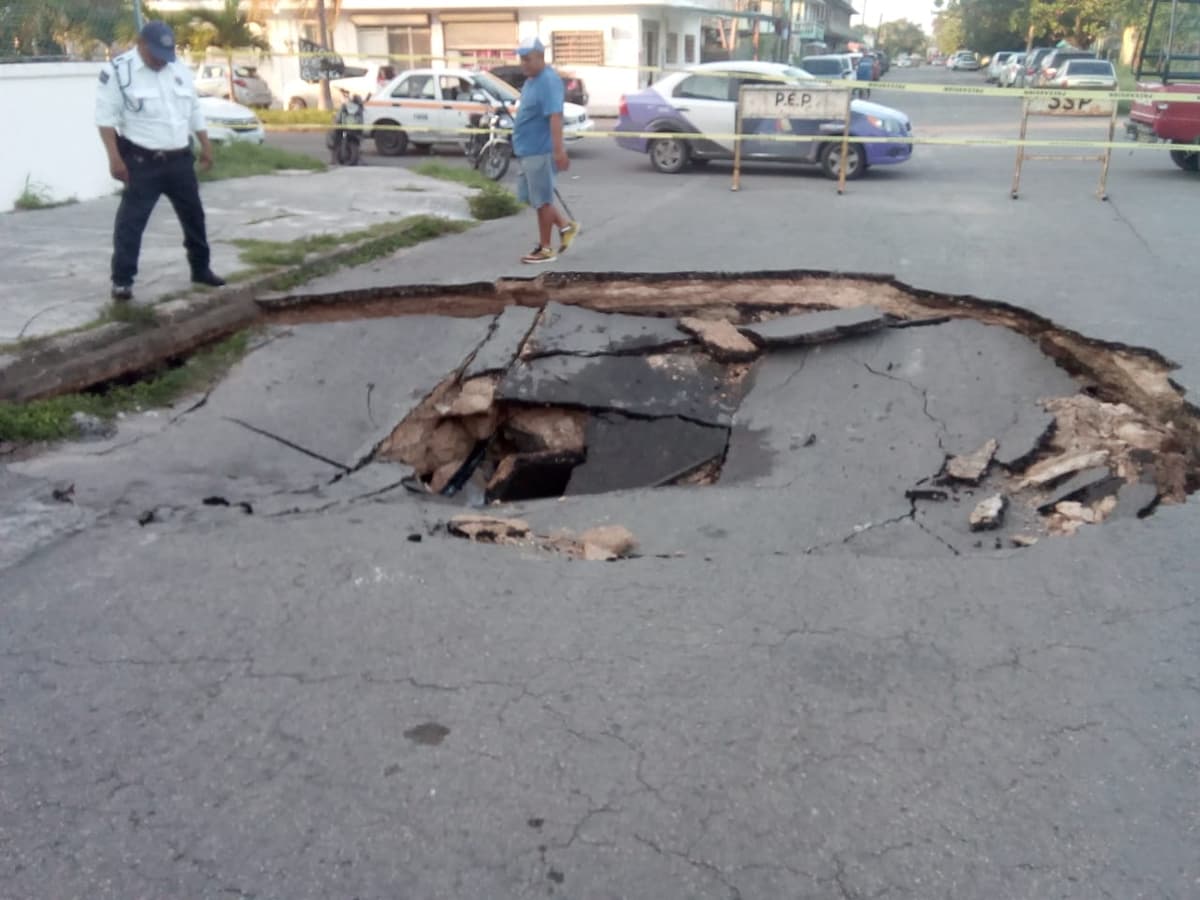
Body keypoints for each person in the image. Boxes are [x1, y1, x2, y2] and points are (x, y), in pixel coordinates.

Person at [95, 21, 225, 302]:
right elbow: (105, 119)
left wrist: (205, 144)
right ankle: (122, 282)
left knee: (194, 218)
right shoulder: (118, 72)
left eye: (166, 55)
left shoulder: (177, 67)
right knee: (131, 223)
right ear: (140, 45)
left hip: (180, 160)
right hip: (142, 161)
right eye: (155, 54)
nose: (161, 61)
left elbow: (192, 109)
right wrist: (114, 159)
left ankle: (201, 270)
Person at [511, 36, 580, 264]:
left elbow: (555, 117)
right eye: (521, 59)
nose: (524, 64)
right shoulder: (532, 80)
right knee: (536, 198)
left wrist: (559, 151)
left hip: (540, 151)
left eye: (528, 59)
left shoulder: (548, 81)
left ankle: (546, 248)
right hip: (527, 150)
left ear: (541, 57)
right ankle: (565, 227)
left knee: (542, 201)